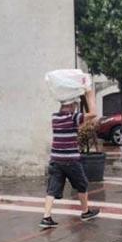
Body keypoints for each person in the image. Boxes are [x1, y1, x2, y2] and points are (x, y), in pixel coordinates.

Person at [40, 88, 100, 228]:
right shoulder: (73, 117)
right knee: (82, 184)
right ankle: (85, 212)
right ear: (71, 106)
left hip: (56, 159)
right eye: (75, 105)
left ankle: (46, 217)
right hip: (71, 160)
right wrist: (90, 95)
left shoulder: (55, 117)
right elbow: (93, 114)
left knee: (52, 188)